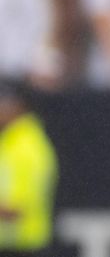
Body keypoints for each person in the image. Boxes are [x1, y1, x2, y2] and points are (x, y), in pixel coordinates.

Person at [0, 79, 59, 256]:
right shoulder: (10, 140)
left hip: (24, 247)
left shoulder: (29, 147)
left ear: (18, 105)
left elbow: (18, 210)